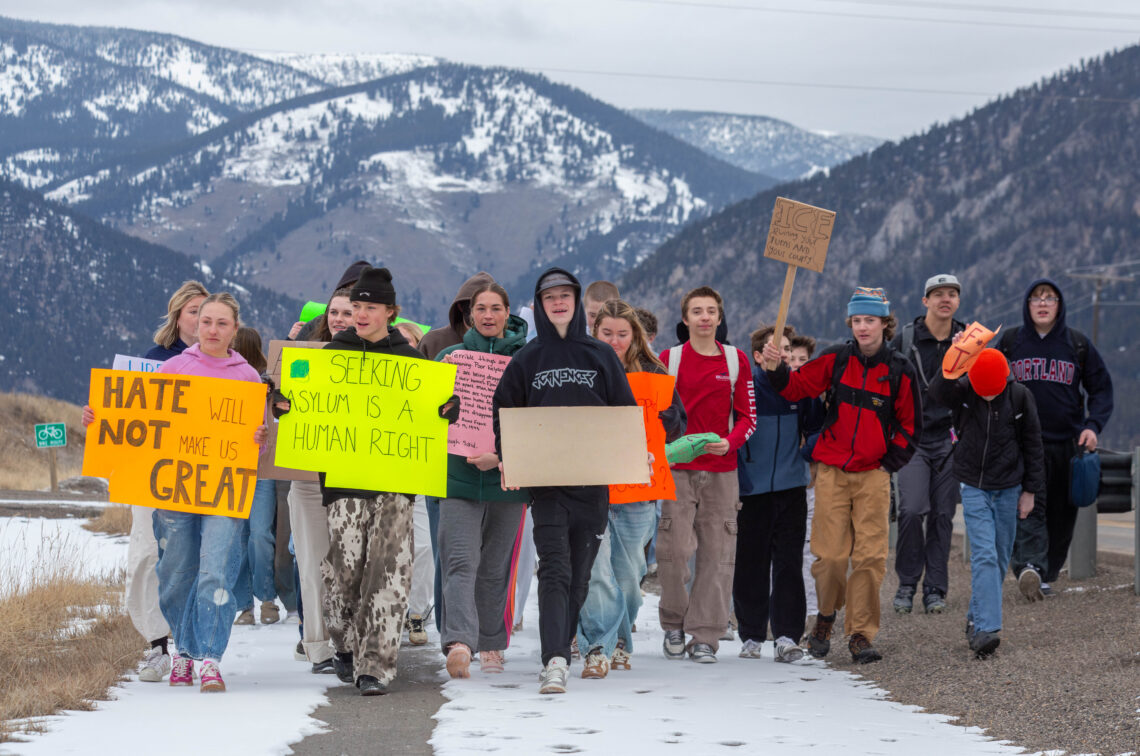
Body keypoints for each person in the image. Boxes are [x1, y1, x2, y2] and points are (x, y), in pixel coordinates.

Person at [285, 267, 459, 696]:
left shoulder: (411, 361)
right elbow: (301, 405)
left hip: (396, 483)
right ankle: (345, 644)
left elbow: (432, 410)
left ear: (390, 312)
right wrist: (285, 402)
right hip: (343, 482)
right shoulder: (331, 355)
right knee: (345, 571)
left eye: (370, 307)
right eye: (356, 306)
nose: (361, 314)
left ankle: (376, 667)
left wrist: (446, 410)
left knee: (389, 572)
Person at [86, 293, 267, 692]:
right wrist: (101, 418)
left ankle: (211, 659)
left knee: (216, 569)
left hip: (224, 490)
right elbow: (141, 423)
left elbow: (260, 444)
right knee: (176, 569)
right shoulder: (173, 368)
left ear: (235, 330)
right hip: (174, 490)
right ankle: (184, 650)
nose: (213, 330)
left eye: (222, 323)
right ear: (195, 325)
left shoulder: (247, 377)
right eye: (207, 322)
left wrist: (259, 437)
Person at [492, 268, 637, 695]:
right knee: (554, 569)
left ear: (575, 301)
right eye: (549, 296)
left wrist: (634, 450)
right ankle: (553, 660)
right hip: (547, 487)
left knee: (579, 576)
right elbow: (505, 413)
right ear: (539, 303)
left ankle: (561, 643)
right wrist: (509, 458)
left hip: (592, 486)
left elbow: (623, 413)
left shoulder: (600, 355)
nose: (558, 302)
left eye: (565, 295)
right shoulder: (527, 358)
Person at [761, 287, 920, 664]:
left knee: (869, 558)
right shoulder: (836, 359)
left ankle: (861, 634)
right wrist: (776, 368)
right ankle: (826, 616)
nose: (863, 327)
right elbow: (797, 387)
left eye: (870, 320)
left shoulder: (899, 369)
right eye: (857, 320)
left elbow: (912, 425)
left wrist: (889, 462)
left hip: (873, 475)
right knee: (829, 557)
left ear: (885, 323)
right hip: (832, 470)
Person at [577, 299, 685, 678]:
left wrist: (665, 417)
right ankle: (600, 646)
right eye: (607, 333)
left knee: (629, 577)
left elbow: (678, 422)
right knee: (595, 572)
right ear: (595, 332)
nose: (616, 340)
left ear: (635, 335)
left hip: (639, 486)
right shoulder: (583, 366)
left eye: (623, 334)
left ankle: (620, 638)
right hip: (595, 484)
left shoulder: (652, 370)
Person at [434, 281, 530, 677]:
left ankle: (491, 643)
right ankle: (459, 642)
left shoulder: (527, 360)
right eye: (481, 309)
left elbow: (537, 418)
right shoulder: (449, 358)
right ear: (470, 314)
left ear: (508, 313)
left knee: (495, 565)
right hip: (458, 474)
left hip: (510, 476)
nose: (488, 315)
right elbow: (428, 414)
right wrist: (443, 412)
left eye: (496, 308)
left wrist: (502, 455)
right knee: (459, 559)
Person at [657, 286, 756, 664]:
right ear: (685, 319)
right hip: (678, 467)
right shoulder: (670, 359)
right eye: (696, 311)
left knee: (718, 553)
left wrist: (729, 443)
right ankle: (674, 624)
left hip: (721, 470)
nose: (704, 317)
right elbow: (658, 414)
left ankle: (706, 635)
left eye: (711, 311)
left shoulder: (735, 361)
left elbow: (749, 416)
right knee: (674, 549)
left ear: (719, 317)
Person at [998, 278, 1114, 599]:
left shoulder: (1076, 345)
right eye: (1036, 298)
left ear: (1059, 305)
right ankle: (1029, 567)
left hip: (1066, 444)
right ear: (1027, 305)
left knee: (1062, 516)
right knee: (1028, 509)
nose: (1043, 303)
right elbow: (985, 381)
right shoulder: (1010, 343)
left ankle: (1044, 572)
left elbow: (1101, 389)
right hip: (1022, 443)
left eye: (1050, 298)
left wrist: (1093, 425)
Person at [929, 348, 1044, 657]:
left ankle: (974, 619)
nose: (989, 398)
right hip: (974, 485)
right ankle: (987, 630)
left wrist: (1030, 491)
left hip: (1009, 486)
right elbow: (936, 391)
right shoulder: (964, 390)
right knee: (984, 555)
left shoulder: (1020, 397)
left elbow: (1033, 445)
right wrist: (953, 358)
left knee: (1001, 555)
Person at [127, 280, 209, 682]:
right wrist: (101, 417)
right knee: (146, 553)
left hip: (200, 474)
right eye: (193, 311)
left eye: (206, 312)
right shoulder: (153, 360)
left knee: (188, 560)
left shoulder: (223, 363)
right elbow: (130, 415)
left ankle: (188, 645)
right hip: (152, 472)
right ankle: (156, 645)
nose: (199, 319)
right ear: (178, 315)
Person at [735, 323, 821, 663]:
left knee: (788, 563)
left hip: (790, 489)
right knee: (750, 563)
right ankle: (752, 634)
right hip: (751, 491)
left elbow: (817, 428)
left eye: (786, 349)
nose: (783, 354)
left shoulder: (801, 389)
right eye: (775, 349)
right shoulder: (745, 389)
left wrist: (805, 456)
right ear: (758, 356)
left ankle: (786, 635)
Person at [889, 274, 967, 615]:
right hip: (912, 441)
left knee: (943, 515)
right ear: (925, 301)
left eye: (951, 293)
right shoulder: (907, 338)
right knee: (910, 510)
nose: (945, 299)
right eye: (938, 294)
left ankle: (935, 589)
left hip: (951, 439)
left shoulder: (968, 339)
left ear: (958, 301)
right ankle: (907, 584)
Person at [287, 287, 354, 674]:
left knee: (349, 565)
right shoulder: (303, 358)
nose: (340, 319)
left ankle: (351, 639)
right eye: (335, 312)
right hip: (309, 478)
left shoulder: (375, 360)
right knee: (311, 565)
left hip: (353, 478)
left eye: (348, 313)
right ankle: (318, 645)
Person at [231, 327, 280, 626]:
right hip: (232, 468)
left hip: (262, 469)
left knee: (260, 534)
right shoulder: (221, 377)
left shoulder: (269, 382)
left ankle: (267, 598)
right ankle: (243, 605)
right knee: (238, 537)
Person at [395, 321, 435, 647]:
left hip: (420, 476)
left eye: (410, 341)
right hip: (383, 478)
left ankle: (417, 612)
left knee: (423, 547)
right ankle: (390, 613)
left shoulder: (430, 382)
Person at [787, 333, 821, 629]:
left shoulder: (813, 396)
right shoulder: (772, 391)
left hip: (809, 477)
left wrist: (807, 454)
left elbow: (818, 431)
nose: (796, 365)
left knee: (809, 546)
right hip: (780, 478)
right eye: (792, 359)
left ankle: (812, 608)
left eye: (803, 360)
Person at [143, 280, 209, 361]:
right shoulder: (155, 357)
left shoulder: (220, 358)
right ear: (177, 317)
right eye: (194, 312)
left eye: (205, 312)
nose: (201, 318)